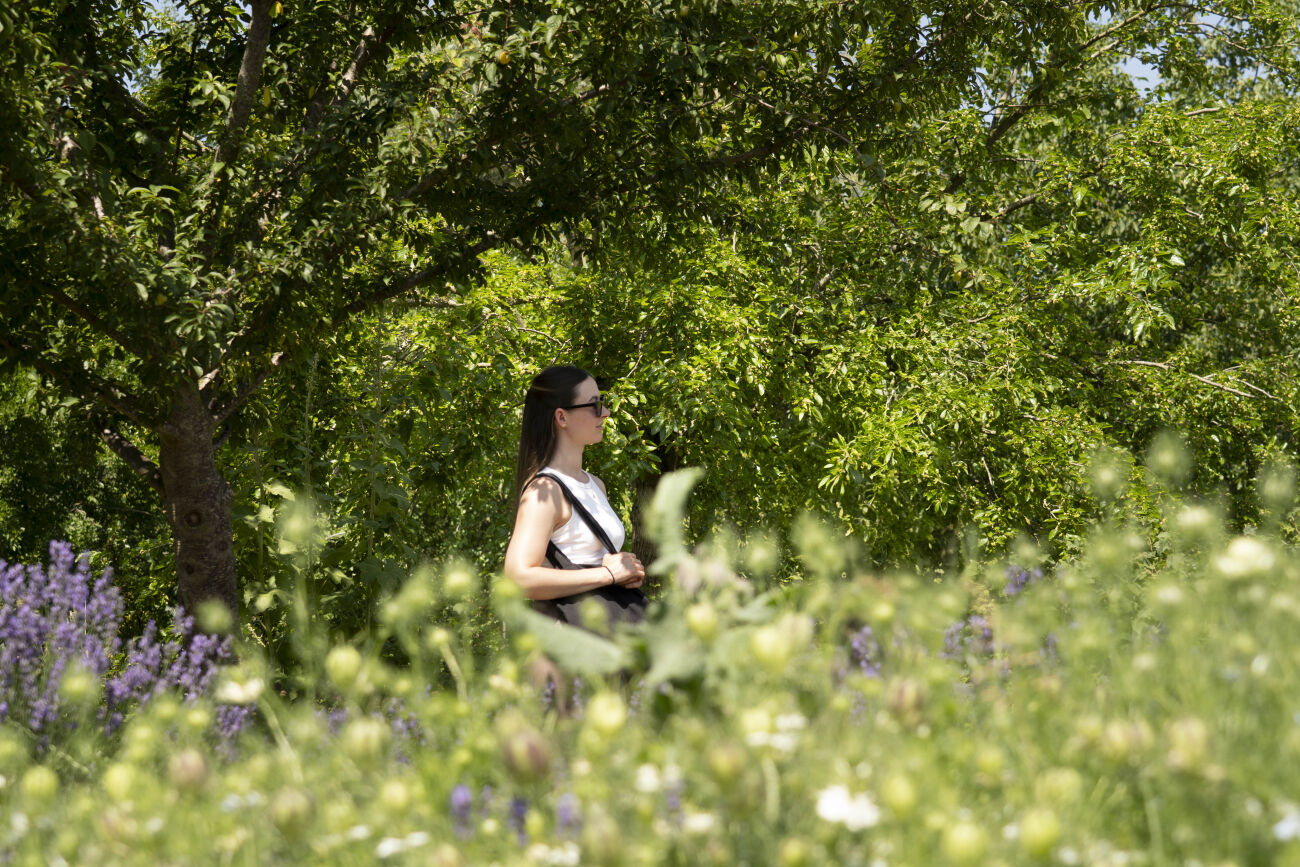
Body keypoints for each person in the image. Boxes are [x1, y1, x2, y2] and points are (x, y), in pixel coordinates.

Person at [503, 365, 647, 629]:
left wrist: (624, 573)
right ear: (562, 417)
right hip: (576, 642)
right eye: (594, 405)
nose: (605, 412)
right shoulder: (544, 492)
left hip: (607, 631)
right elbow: (517, 577)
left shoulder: (595, 485)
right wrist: (607, 575)